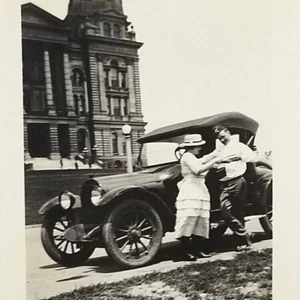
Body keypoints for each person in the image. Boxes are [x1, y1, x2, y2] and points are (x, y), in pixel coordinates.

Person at [175, 134, 222, 261]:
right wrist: (214, 161)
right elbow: (198, 169)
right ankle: (186, 251)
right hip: (191, 190)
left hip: (199, 189)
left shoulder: (191, 156)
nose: (200, 148)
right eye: (199, 146)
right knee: (189, 219)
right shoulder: (187, 156)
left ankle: (196, 249)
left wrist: (214, 154)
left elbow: (202, 160)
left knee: (199, 220)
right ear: (194, 146)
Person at [212, 125, 258, 251]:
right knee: (225, 212)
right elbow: (215, 161)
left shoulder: (239, 146)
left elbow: (254, 157)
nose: (222, 140)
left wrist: (240, 157)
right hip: (223, 183)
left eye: (223, 136)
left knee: (238, 212)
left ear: (228, 132)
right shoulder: (220, 149)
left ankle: (241, 242)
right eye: (219, 138)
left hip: (237, 180)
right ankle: (244, 234)